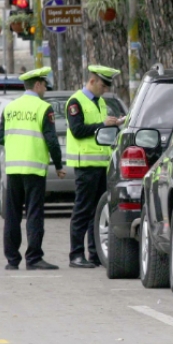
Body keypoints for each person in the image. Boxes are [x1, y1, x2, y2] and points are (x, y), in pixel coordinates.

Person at [0, 67, 65, 270]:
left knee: (12, 214)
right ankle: (34, 258)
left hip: (13, 168)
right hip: (34, 168)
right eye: (44, 85)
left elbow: (0, 137)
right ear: (37, 85)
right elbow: (52, 141)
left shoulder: (10, 108)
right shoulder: (43, 108)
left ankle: (12, 260)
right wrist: (59, 165)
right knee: (34, 213)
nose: (45, 89)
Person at [66, 65, 124, 268]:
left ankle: (94, 253)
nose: (105, 89)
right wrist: (103, 125)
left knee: (97, 211)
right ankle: (75, 254)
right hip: (85, 164)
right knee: (82, 209)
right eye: (103, 84)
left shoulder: (99, 102)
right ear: (92, 81)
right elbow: (78, 130)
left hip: (101, 164)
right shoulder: (76, 101)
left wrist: (114, 124)